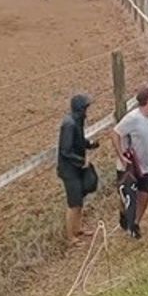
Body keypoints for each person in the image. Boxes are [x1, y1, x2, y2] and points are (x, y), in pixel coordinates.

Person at [112, 86, 148, 239]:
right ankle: (124, 213)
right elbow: (115, 133)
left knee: (145, 194)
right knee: (128, 197)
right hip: (129, 166)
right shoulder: (132, 118)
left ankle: (135, 224)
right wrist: (121, 156)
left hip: (145, 165)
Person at [58, 94, 101, 244]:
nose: (87, 110)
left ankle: (78, 228)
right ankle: (71, 237)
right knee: (73, 202)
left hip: (76, 167)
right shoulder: (69, 124)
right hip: (69, 170)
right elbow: (65, 150)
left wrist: (90, 144)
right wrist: (81, 161)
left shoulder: (77, 121)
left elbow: (79, 140)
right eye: (86, 107)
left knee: (79, 199)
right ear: (80, 109)